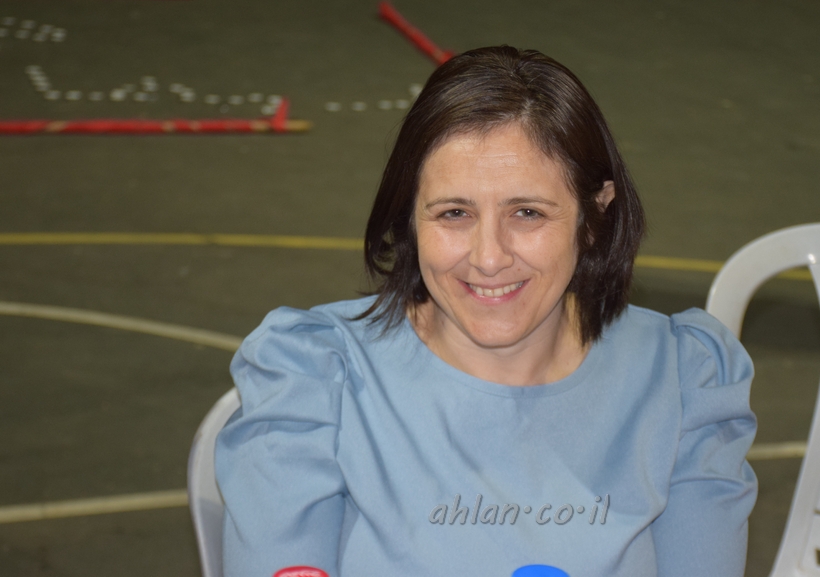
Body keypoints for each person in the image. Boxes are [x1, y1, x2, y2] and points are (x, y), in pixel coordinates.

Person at [215, 46, 758, 577]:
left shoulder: (683, 382)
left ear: (593, 217)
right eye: (454, 213)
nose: (489, 257)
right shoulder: (314, 379)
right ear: (409, 219)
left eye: (528, 213)